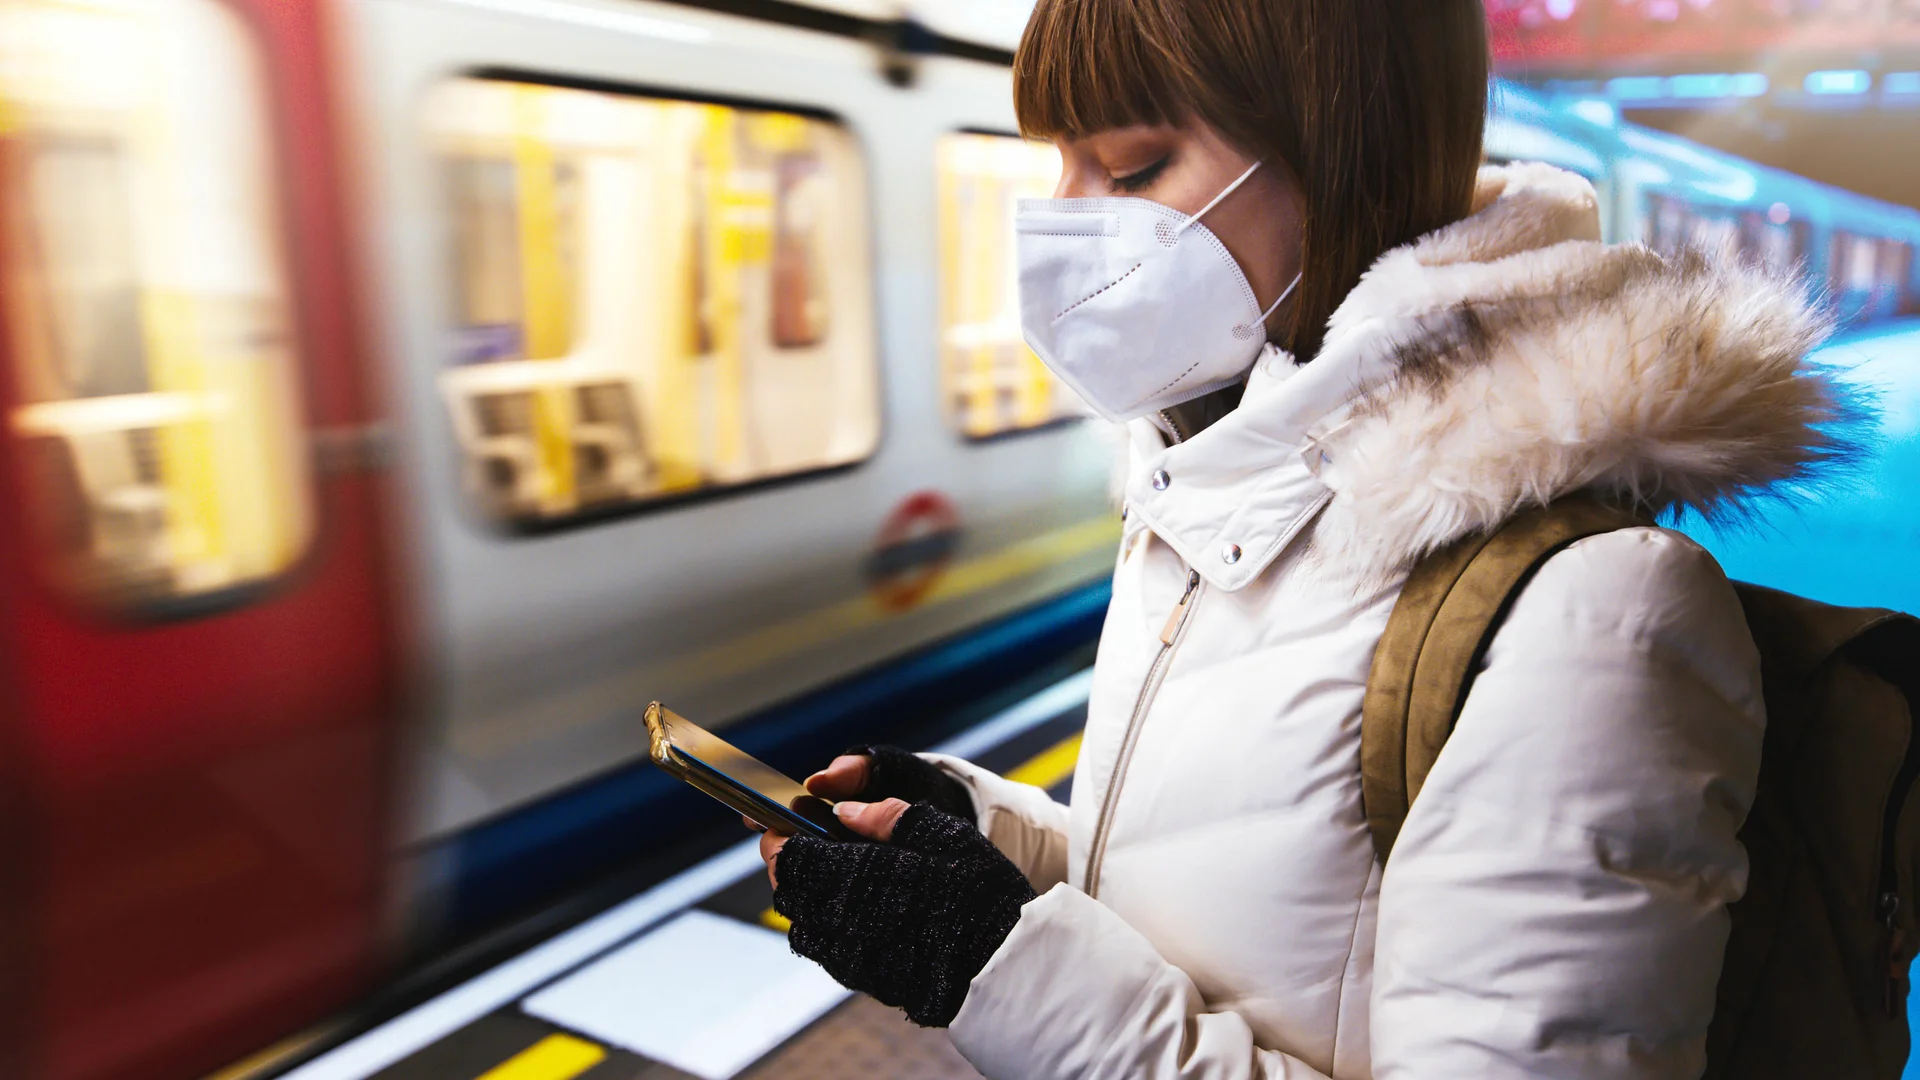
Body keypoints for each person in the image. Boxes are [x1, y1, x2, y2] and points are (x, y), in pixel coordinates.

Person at [754, 0, 1855, 1076]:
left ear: (1339, 161)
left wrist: (993, 962)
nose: (1066, 220)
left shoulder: (1591, 615)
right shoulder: (1210, 497)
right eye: (1059, 166)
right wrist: (987, 845)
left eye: (1131, 170)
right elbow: (1226, 901)